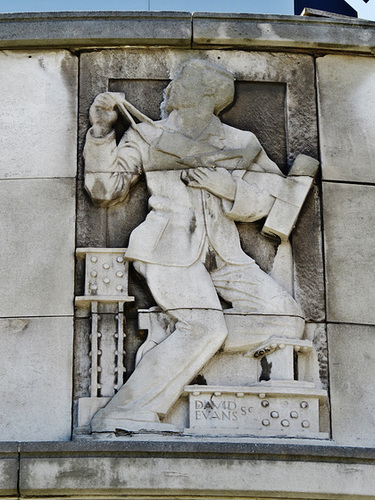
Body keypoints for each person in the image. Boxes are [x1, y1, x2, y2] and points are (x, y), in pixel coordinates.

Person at [84, 59, 304, 433]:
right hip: (166, 250)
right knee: (206, 328)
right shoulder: (147, 134)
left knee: (289, 319)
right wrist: (103, 131)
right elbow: (105, 189)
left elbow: (273, 200)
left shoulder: (241, 143)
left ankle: (176, 342)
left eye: (180, 82)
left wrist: (230, 189)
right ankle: (125, 412)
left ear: (206, 95)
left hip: (225, 255)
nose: (169, 87)